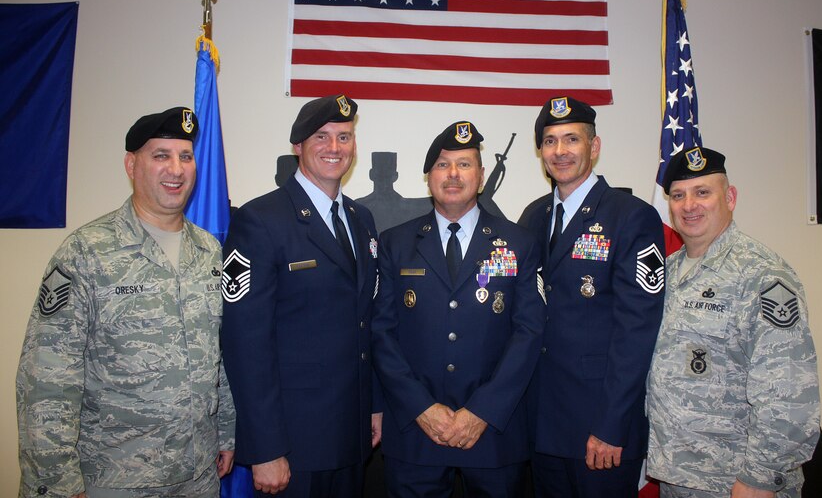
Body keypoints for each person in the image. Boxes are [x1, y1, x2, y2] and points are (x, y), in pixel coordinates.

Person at [16, 107, 235, 498]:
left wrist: (226, 431)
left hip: (196, 474)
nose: (176, 169)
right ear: (131, 164)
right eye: (161, 156)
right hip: (112, 476)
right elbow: (47, 376)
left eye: (185, 156)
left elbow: (219, 354)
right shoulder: (86, 252)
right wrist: (57, 481)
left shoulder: (209, 251)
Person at [372, 121, 545, 497]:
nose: (453, 174)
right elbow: (381, 332)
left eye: (464, 164)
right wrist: (422, 408)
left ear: (481, 176)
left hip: (494, 432)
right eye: (442, 164)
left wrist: (482, 411)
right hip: (416, 432)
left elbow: (529, 333)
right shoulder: (395, 243)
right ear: (428, 177)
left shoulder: (518, 242)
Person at [221, 94, 380, 497]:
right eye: (321, 137)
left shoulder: (362, 220)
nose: (334, 148)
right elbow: (245, 343)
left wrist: (374, 405)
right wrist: (265, 448)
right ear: (298, 146)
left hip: (351, 433)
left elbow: (367, 323)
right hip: (293, 444)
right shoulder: (260, 221)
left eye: (344, 137)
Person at [646, 147, 820, 498]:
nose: (689, 205)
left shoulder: (762, 275)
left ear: (730, 197)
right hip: (677, 477)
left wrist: (760, 477)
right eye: (678, 195)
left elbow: (789, 392)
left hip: (735, 483)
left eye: (703, 192)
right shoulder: (668, 270)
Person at [522, 96, 665, 498]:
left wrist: (611, 425)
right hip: (542, 423)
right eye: (550, 141)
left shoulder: (631, 217)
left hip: (599, 429)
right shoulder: (532, 218)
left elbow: (636, 331)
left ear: (594, 147)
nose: (560, 151)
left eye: (572, 139)